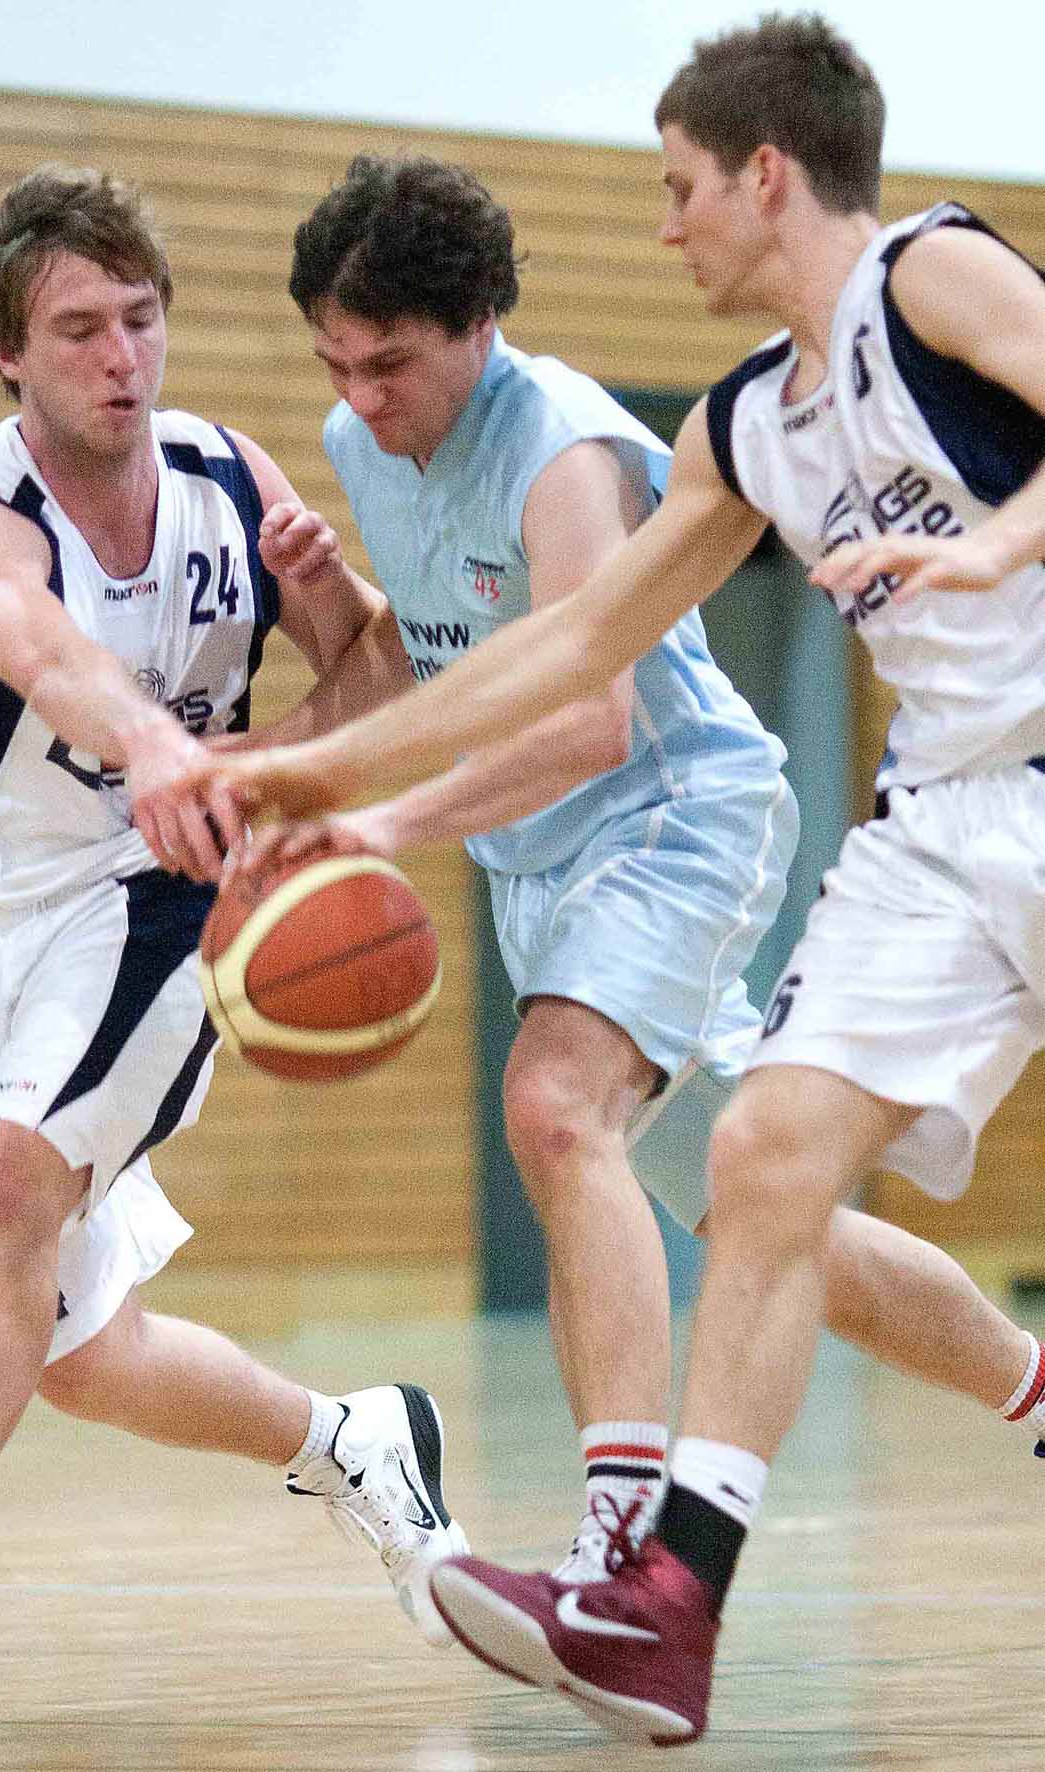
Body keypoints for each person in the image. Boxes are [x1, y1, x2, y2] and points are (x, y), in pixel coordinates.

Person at [175, 15, 1045, 1746]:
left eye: (677, 187)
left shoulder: (928, 276)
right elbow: (571, 647)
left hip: (863, 791)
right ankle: (659, 1612)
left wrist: (1006, 538)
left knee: (624, 1125)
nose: (661, 226)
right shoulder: (743, 428)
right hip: (942, 815)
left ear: (765, 175)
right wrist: (311, 775)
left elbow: (594, 715)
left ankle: (631, 1539)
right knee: (759, 1161)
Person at [0, 164, 468, 1681]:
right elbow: (52, 659)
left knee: (10, 1189)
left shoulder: (229, 480)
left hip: (160, 903)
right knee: (75, 1351)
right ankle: (357, 1441)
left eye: (141, 318)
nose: (121, 356)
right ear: (9, 351)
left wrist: (277, 724)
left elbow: (383, 676)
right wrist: (163, 747)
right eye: (79, 329)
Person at [239, 150, 800, 1590]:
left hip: (671, 810)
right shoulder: (360, 441)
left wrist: (380, 825)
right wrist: (298, 674)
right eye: (336, 365)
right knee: (762, 1209)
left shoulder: (563, 449)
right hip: (540, 858)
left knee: (551, 1109)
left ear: (479, 325)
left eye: (391, 365)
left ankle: (623, 1546)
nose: (362, 397)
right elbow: (425, 659)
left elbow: (586, 719)